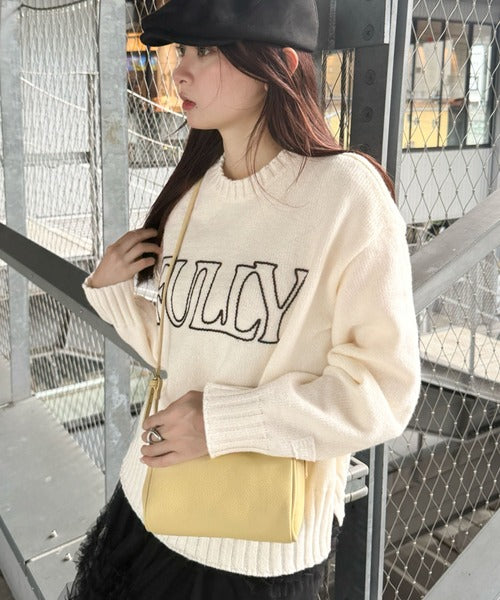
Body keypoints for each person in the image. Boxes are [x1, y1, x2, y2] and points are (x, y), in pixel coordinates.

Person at [64, 0, 421, 598]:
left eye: (206, 50)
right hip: (150, 505)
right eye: (183, 50)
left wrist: (221, 423)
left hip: (257, 547)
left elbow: (383, 391)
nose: (180, 71)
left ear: (280, 63)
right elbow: (187, 352)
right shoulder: (192, 198)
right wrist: (115, 293)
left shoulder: (346, 196)